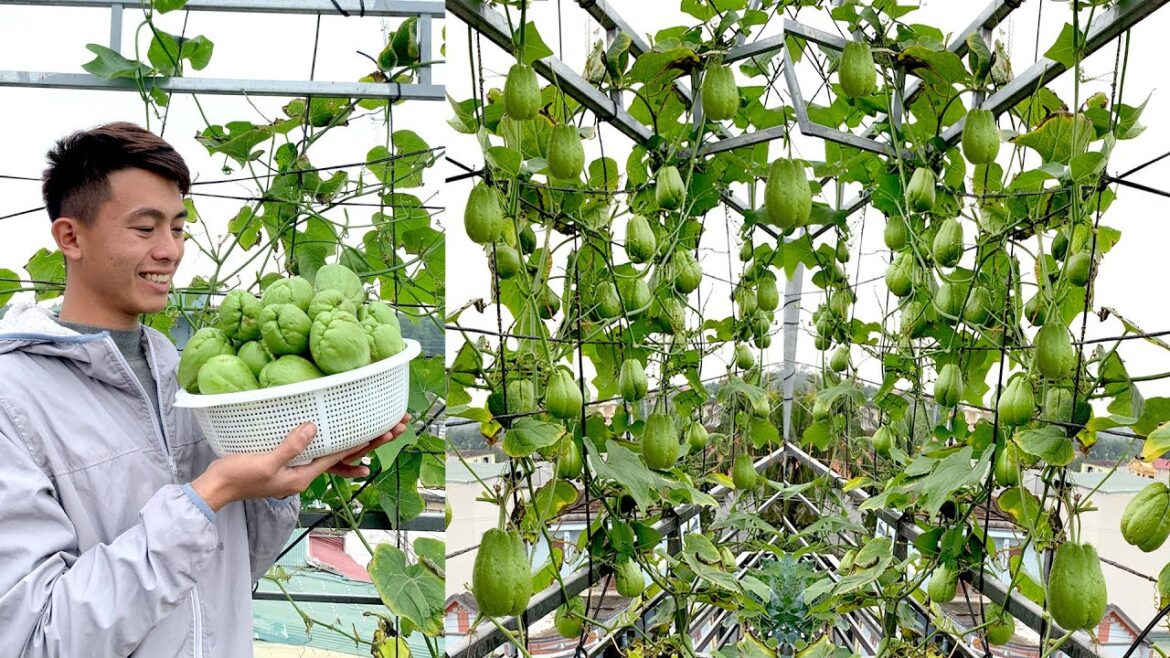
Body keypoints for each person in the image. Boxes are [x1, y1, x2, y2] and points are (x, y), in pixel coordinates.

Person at [0, 122, 410, 657]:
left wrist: (284, 474)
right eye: (145, 228)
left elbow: (230, 572)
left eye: (178, 227)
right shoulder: (13, 400)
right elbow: (35, 639)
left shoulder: (184, 376)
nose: (169, 251)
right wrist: (210, 493)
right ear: (70, 237)